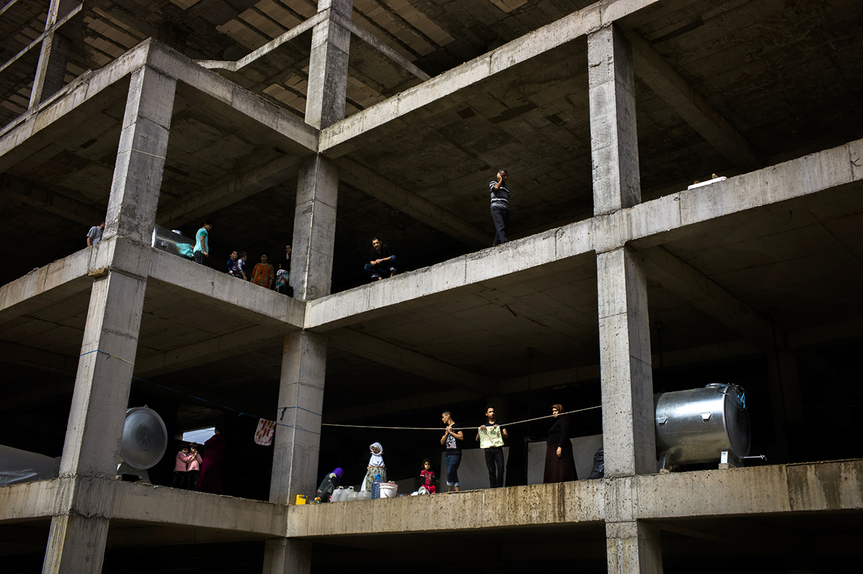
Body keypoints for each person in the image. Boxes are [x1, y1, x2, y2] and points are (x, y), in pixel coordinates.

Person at [543, 404, 578, 484]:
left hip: (558, 445)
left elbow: (564, 433)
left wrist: (560, 446)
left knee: (560, 465)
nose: (554, 413)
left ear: (560, 411)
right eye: (553, 411)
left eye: (556, 411)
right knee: (553, 466)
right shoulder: (558, 421)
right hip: (553, 446)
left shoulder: (564, 419)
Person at [476, 405, 508, 488]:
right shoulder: (484, 425)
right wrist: (481, 430)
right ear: (486, 414)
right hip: (488, 449)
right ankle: (493, 487)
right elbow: (476, 439)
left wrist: (498, 430)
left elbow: (506, 435)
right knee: (491, 470)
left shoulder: (500, 423)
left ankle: (500, 486)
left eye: (493, 411)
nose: (492, 413)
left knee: (501, 467)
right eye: (490, 412)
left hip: (497, 448)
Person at [440, 411, 463, 492]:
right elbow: (442, 442)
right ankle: (457, 490)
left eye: (443, 417)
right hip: (448, 454)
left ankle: (449, 489)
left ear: (448, 416)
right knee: (453, 471)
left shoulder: (456, 426)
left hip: (455, 453)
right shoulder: (446, 428)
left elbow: (461, 437)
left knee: (450, 471)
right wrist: (447, 433)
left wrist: (451, 432)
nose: (442, 419)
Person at [199, 427, 226, 494]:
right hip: (218, 459)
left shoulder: (217, 437)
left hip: (210, 459)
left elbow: (207, 443)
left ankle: (204, 488)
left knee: (206, 473)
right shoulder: (223, 439)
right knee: (215, 475)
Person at [489, 169, 510, 246]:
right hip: (496, 208)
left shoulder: (507, 188)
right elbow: (496, 188)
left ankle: (495, 245)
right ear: (499, 175)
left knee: (502, 227)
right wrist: (500, 180)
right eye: (503, 175)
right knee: (500, 226)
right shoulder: (493, 183)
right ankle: (504, 241)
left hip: (505, 209)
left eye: (506, 176)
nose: (505, 177)